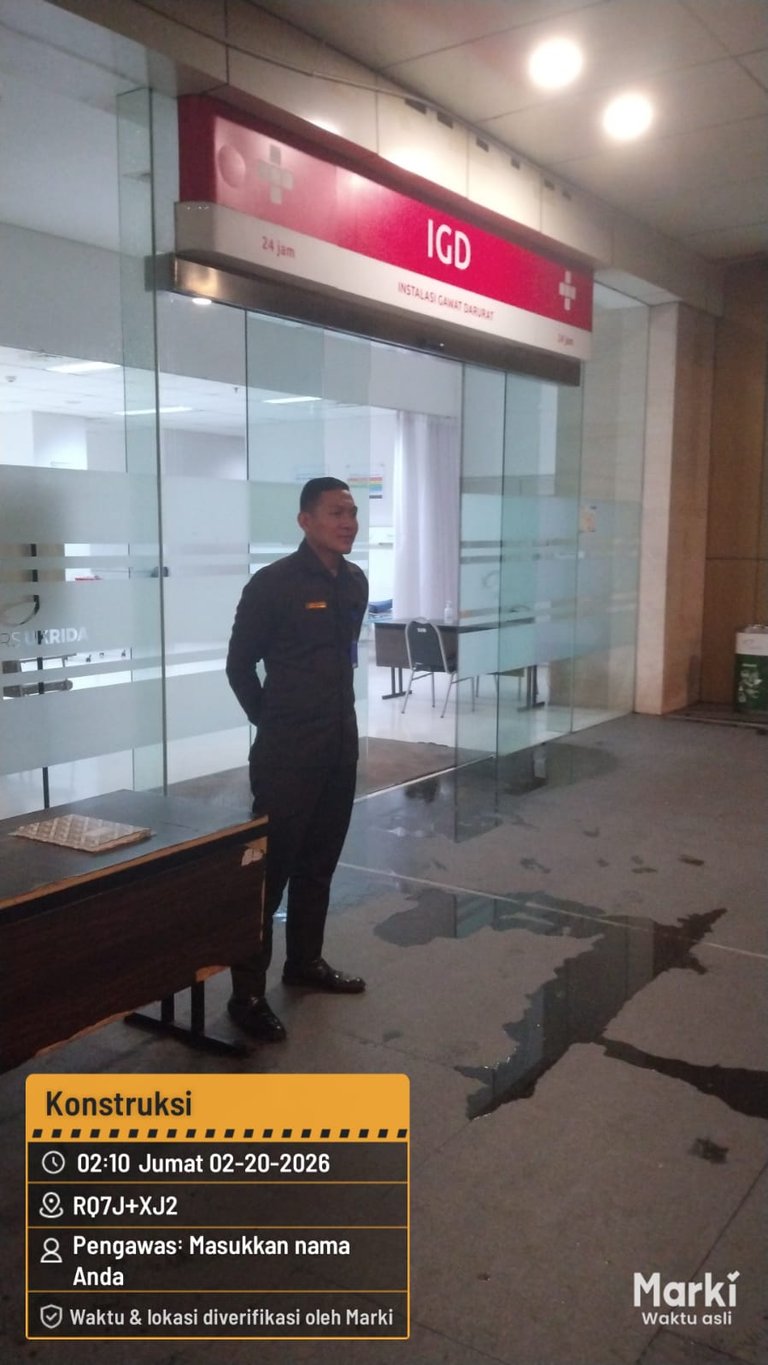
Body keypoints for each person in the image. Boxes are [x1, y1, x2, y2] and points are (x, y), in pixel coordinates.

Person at [225, 477, 369, 1041]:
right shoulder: (273, 585)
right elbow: (239, 666)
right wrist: (273, 722)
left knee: (319, 864)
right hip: (287, 755)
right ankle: (247, 995)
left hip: (339, 747)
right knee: (270, 874)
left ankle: (304, 962)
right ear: (306, 520)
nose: (348, 522)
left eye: (352, 513)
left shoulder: (354, 582)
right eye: (336, 513)